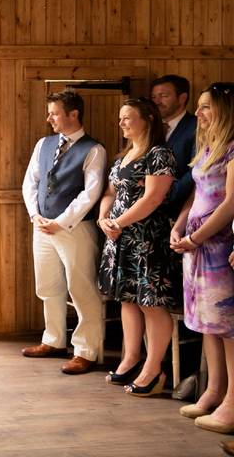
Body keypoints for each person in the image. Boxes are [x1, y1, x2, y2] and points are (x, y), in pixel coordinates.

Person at [97, 97, 180, 396]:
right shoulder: (123, 156)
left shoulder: (159, 154)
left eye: (128, 117)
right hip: (120, 240)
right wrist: (103, 218)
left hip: (147, 240)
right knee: (127, 299)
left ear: (148, 119)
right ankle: (131, 358)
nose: (121, 123)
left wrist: (119, 223)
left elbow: (153, 199)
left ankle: (154, 368)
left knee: (151, 303)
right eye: (120, 117)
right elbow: (109, 192)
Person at [20, 89, 106, 374]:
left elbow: (90, 194)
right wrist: (36, 215)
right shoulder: (43, 144)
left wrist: (61, 221)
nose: (49, 119)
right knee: (47, 286)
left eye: (55, 113)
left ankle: (86, 350)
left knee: (81, 289)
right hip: (42, 226)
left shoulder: (94, 149)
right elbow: (30, 183)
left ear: (73, 114)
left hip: (75, 229)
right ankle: (54, 340)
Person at [170, 83, 234, 433]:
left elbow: (229, 204)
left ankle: (231, 404)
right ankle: (214, 390)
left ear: (225, 109)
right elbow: (196, 194)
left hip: (218, 244)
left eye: (206, 107)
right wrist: (179, 227)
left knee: (226, 325)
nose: (199, 114)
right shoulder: (209, 148)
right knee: (206, 322)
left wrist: (196, 237)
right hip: (195, 244)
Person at [152, 75, 198, 219]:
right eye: (153, 97)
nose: (157, 102)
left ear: (182, 98)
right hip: (147, 211)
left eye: (163, 96)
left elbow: (197, 168)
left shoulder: (197, 127)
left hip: (180, 210)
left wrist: (165, 194)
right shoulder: (149, 126)